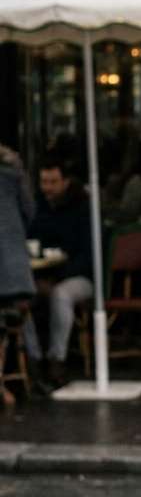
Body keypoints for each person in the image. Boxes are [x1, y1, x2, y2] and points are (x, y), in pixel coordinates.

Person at [24, 155, 93, 388]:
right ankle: (32, 358)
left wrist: (57, 278)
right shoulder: (36, 206)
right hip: (43, 274)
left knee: (60, 295)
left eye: (53, 182)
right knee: (19, 298)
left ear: (65, 182)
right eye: (44, 182)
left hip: (78, 276)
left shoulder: (82, 209)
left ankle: (57, 359)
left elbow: (88, 255)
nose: (48, 188)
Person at [0, 145, 35, 405]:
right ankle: (33, 369)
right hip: (14, 270)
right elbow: (30, 213)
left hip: (9, 271)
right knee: (17, 317)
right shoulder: (14, 175)